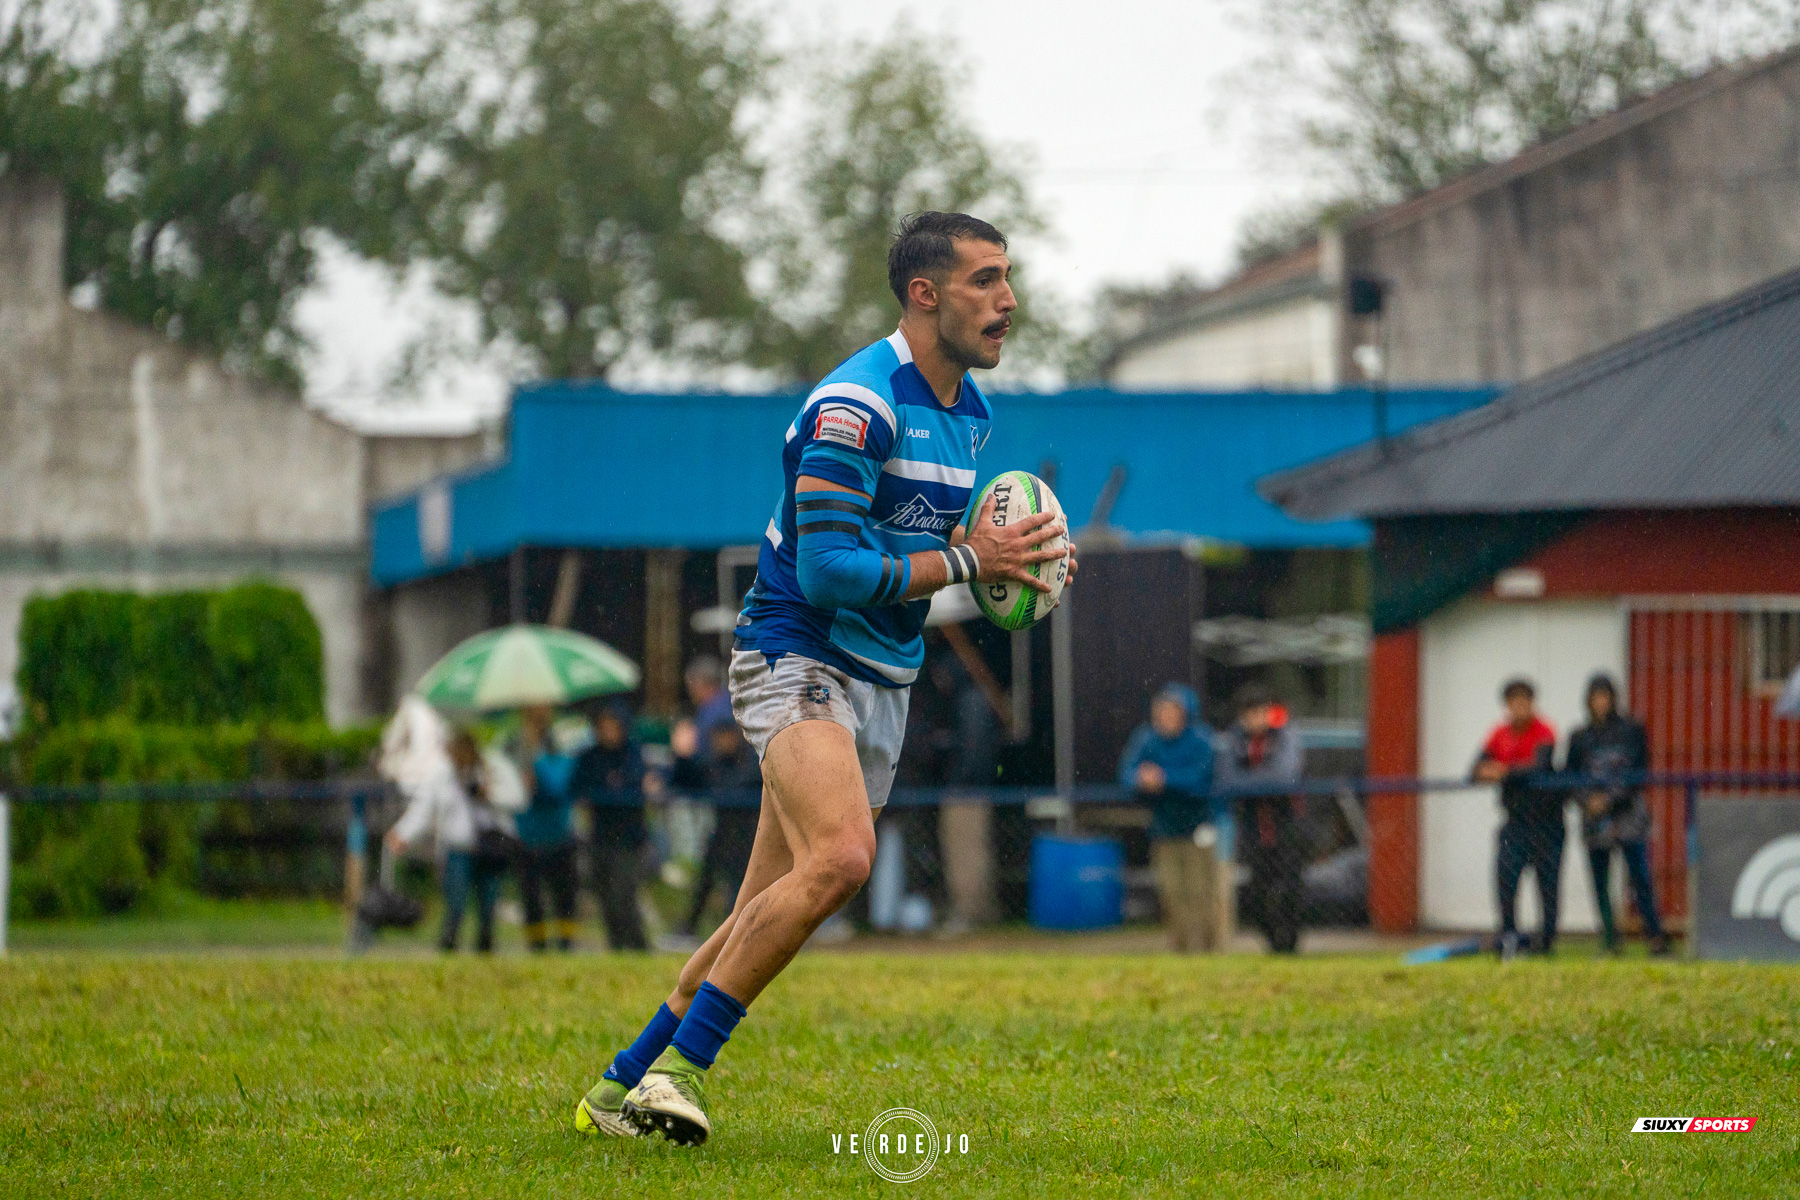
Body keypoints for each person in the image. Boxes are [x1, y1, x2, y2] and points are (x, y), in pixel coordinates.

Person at [574, 211, 1074, 1145]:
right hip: (793, 654)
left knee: (753, 915)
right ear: (925, 295)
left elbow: (923, 548)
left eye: (1008, 278)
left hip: (881, 675)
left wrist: (1015, 560)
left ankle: (614, 1090)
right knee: (844, 858)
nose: (1008, 300)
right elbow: (829, 570)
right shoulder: (856, 406)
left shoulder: (971, 412)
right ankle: (679, 1077)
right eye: (985, 280)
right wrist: (973, 563)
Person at [1566, 673, 1670, 955]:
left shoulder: (1631, 730)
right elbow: (1569, 778)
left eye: (1605, 696)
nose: (1600, 702)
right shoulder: (1579, 736)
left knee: (1640, 878)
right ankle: (1611, 941)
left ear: (1613, 699)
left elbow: (1639, 772)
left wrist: (1609, 800)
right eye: (1595, 697)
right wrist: (1588, 801)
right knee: (1600, 882)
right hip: (1593, 819)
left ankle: (1655, 938)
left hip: (1628, 816)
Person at [385, 730, 509, 952]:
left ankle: (485, 948)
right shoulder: (441, 774)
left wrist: (490, 793)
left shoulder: (488, 769)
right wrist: (402, 833)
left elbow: (515, 798)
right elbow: (423, 808)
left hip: (488, 849)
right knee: (456, 904)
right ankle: (449, 946)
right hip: (458, 850)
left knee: (488, 905)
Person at [1118, 683, 1218, 952]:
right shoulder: (1146, 739)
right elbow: (1126, 774)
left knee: (1201, 893)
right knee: (1171, 894)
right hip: (1163, 829)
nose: (1166, 717)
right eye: (1161, 712)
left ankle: (1207, 952)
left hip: (1199, 828)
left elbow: (1200, 779)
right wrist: (1141, 778)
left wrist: (1164, 778)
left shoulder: (1201, 739)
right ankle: (1180, 951)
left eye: (1172, 711)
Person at [1473, 677, 1562, 957]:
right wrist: (1500, 770)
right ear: (1507, 705)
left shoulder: (1544, 729)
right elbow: (1475, 769)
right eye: (1514, 702)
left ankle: (1545, 942)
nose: (1520, 707)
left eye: (1525, 701)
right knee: (1505, 879)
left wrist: (1503, 771)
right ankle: (1509, 936)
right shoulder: (1499, 733)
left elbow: (1540, 767)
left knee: (1547, 884)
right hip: (1515, 820)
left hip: (1547, 820)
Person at [1215, 684, 1307, 954]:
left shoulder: (1285, 736)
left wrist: (1251, 783)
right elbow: (1226, 780)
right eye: (1250, 713)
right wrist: (1261, 782)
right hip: (1253, 826)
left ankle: (1289, 945)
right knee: (1257, 890)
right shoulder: (1233, 741)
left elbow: (1285, 777)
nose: (1256, 719)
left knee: (1291, 886)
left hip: (1287, 824)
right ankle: (1272, 942)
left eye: (1261, 712)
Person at [570, 703, 650, 952]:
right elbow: (579, 786)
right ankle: (616, 945)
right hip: (600, 835)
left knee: (623, 894)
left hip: (628, 838)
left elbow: (634, 784)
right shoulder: (590, 756)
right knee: (604, 894)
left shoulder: (632, 754)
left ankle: (637, 946)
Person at [678, 724, 763, 936]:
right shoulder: (712, 764)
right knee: (706, 882)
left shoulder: (750, 763)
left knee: (744, 886)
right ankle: (691, 928)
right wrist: (682, 756)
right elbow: (685, 780)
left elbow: (739, 788)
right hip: (722, 833)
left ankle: (745, 930)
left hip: (748, 836)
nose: (723, 742)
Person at [512, 704, 580, 952]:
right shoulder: (513, 745)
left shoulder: (559, 744)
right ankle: (537, 947)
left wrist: (537, 761)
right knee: (532, 898)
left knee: (564, 896)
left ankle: (565, 946)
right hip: (528, 836)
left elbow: (558, 787)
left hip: (558, 834)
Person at [686, 656, 734, 759]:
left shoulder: (720, 707)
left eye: (692, 684)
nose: (690, 692)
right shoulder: (706, 708)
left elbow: (727, 745)